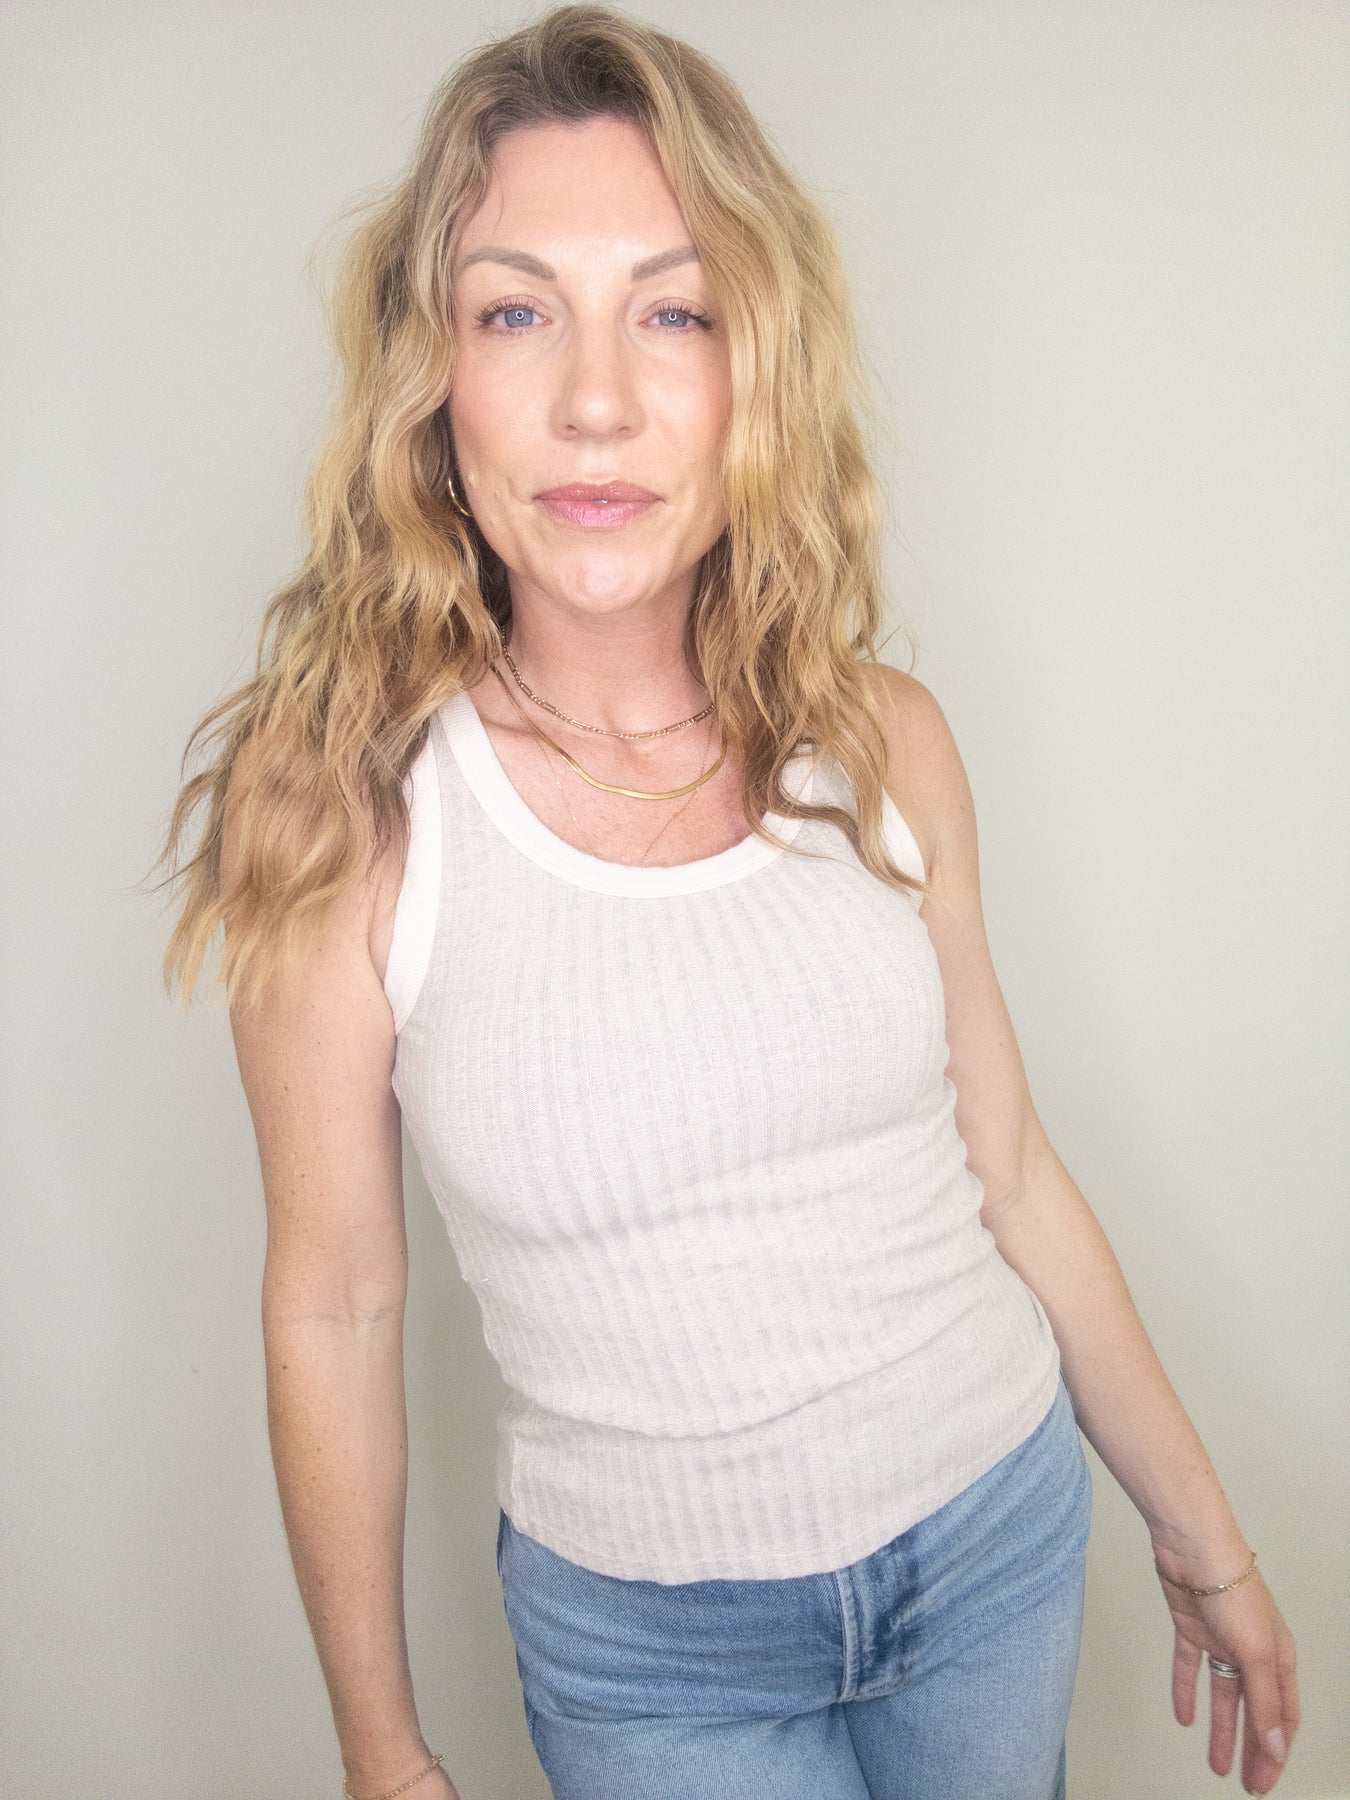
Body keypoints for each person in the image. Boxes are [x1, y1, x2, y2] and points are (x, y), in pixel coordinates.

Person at [152, 7, 1300, 1798]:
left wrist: (1199, 1533)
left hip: (997, 1540)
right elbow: (336, 1305)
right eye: (515, 312)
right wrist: (379, 1748)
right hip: (651, 1657)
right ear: (430, 381)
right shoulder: (344, 815)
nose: (596, 399)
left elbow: (1006, 1169)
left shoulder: (884, 739)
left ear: (754, 370)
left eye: (673, 312)